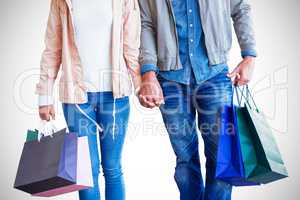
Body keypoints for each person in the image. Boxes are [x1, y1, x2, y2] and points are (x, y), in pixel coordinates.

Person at [138, 0, 256, 199]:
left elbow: (240, 8)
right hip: (169, 78)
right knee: (185, 159)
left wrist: (249, 55)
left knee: (222, 157)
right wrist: (148, 72)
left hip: (215, 74)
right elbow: (145, 23)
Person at [36, 0, 141, 199]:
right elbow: (52, 48)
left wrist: (140, 86)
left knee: (112, 168)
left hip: (115, 97)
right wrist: (44, 96)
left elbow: (131, 46)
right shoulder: (61, 2)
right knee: (86, 171)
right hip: (76, 99)